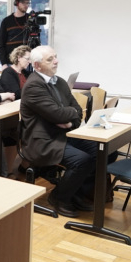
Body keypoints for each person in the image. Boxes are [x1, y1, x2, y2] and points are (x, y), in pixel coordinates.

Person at [20, 46, 102, 218]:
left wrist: (69, 120)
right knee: (82, 160)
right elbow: (57, 114)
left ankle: (76, 193)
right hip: (43, 141)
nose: (56, 61)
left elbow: (78, 110)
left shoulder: (60, 82)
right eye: (50, 59)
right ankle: (59, 198)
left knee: (99, 151)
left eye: (55, 57)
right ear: (37, 65)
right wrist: (67, 114)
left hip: (64, 134)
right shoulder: (34, 85)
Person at [0, 0, 31, 68]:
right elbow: (1, 44)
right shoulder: (7, 21)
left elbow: (37, 42)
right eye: (23, 3)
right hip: (11, 62)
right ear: (17, 3)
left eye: (28, 3)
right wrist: (4, 64)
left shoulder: (31, 20)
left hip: (28, 62)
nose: (26, 5)